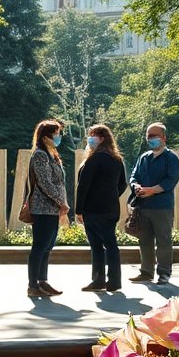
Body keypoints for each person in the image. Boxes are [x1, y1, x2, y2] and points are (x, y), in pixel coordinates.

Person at [75, 124, 128, 292]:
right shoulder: (117, 159)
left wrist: (78, 209)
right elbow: (122, 184)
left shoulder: (94, 158)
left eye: (93, 135)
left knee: (97, 245)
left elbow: (83, 186)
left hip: (93, 209)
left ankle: (98, 280)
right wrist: (110, 196)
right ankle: (114, 281)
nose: (90, 139)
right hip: (111, 208)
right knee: (111, 244)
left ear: (102, 138)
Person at [128, 122, 179, 285]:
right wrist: (135, 185)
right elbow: (133, 176)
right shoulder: (144, 157)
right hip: (143, 206)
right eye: (148, 136)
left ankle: (164, 273)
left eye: (154, 136)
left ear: (163, 138)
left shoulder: (171, 158)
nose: (150, 139)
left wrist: (152, 190)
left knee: (164, 241)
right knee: (144, 240)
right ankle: (146, 272)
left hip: (162, 206)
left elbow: (171, 180)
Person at [26, 119, 70, 296]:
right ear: (45, 137)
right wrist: (61, 202)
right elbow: (45, 183)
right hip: (42, 208)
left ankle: (42, 281)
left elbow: (59, 183)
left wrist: (61, 203)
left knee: (48, 247)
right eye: (56, 134)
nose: (58, 137)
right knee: (39, 246)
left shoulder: (52, 155)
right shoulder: (40, 155)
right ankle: (33, 285)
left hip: (52, 208)